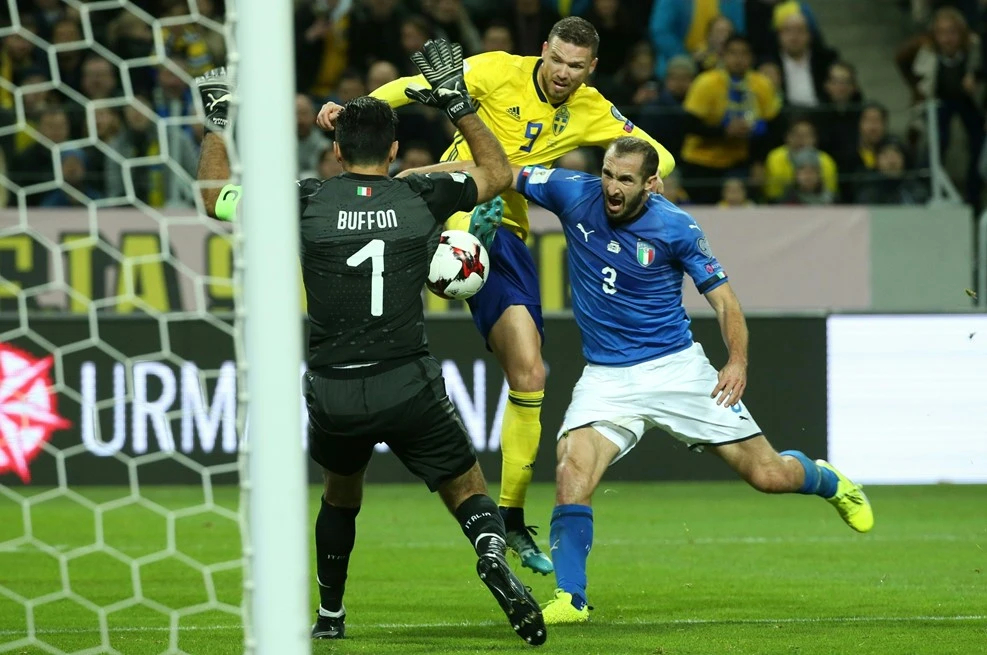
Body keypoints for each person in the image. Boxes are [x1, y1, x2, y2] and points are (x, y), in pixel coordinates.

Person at [192, 42, 547, 647]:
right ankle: (490, 552)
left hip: (334, 387)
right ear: (391, 151)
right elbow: (498, 173)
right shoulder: (418, 195)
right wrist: (457, 100)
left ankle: (330, 614)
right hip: (406, 381)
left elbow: (212, 195)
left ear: (335, 152)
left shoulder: (301, 199)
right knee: (466, 489)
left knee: (340, 493)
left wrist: (217, 125)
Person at [316, 20, 677, 576]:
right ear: (543, 51)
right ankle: (450, 249)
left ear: (590, 70)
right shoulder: (494, 70)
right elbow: (415, 86)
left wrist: (649, 173)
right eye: (557, 59)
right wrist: (354, 106)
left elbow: (660, 154)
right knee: (417, 213)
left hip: (505, 226)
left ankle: (509, 517)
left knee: (531, 373)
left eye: (575, 67)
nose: (563, 73)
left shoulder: (593, 109)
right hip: (449, 196)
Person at [502, 136, 873, 623]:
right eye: (609, 174)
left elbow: (725, 302)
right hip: (607, 377)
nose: (612, 187)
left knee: (768, 475)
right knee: (572, 467)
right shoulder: (575, 192)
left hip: (677, 370)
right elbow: (499, 169)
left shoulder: (677, 226)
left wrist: (736, 362)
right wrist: (428, 179)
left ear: (651, 183)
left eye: (625, 180)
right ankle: (571, 597)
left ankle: (828, 480)